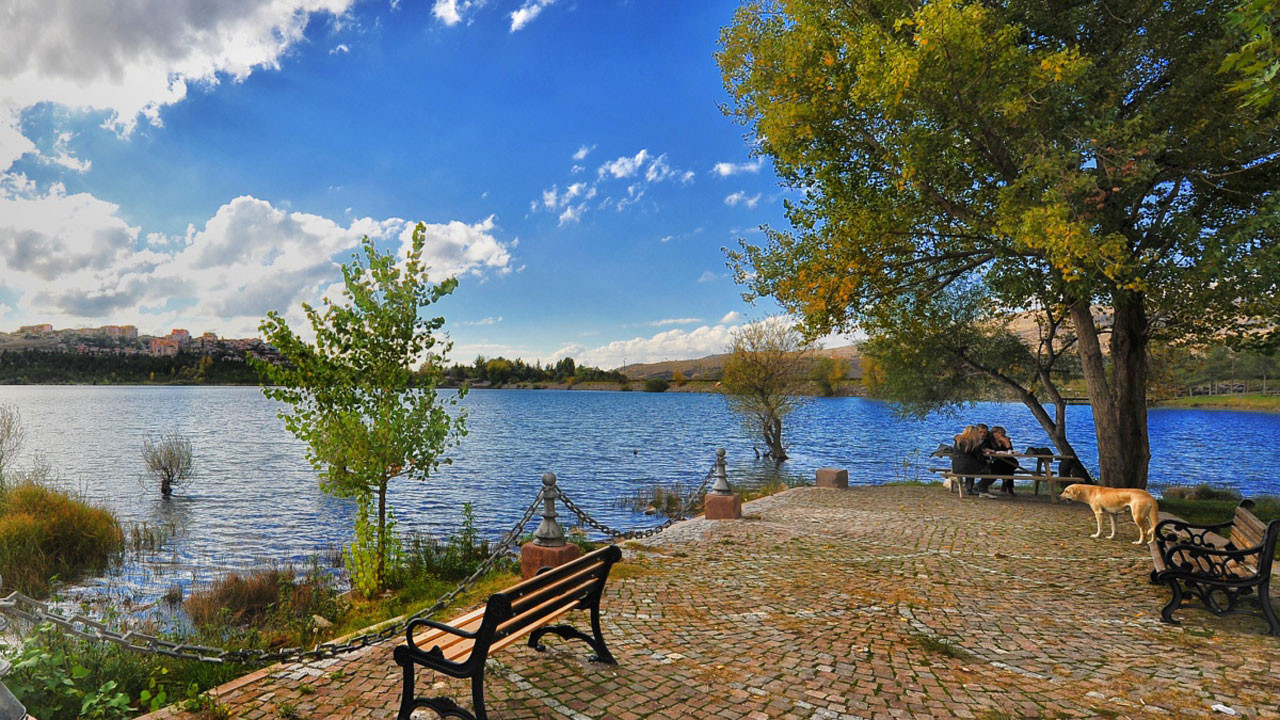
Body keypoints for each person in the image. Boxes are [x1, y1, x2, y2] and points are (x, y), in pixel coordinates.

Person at [951, 425, 990, 497]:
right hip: (968, 468)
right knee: (987, 470)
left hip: (956, 468)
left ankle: (969, 488)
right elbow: (979, 457)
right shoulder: (974, 444)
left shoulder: (958, 441)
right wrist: (987, 461)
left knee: (971, 467)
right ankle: (982, 489)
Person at [987, 426, 1019, 496]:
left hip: (1007, 459)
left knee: (1011, 464)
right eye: (998, 433)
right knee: (1007, 468)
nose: (1000, 435)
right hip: (996, 459)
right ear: (993, 433)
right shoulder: (990, 441)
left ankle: (1006, 483)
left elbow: (1010, 451)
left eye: (1002, 433)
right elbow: (988, 449)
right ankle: (1008, 485)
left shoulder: (1006, 440)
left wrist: (1006, 443)